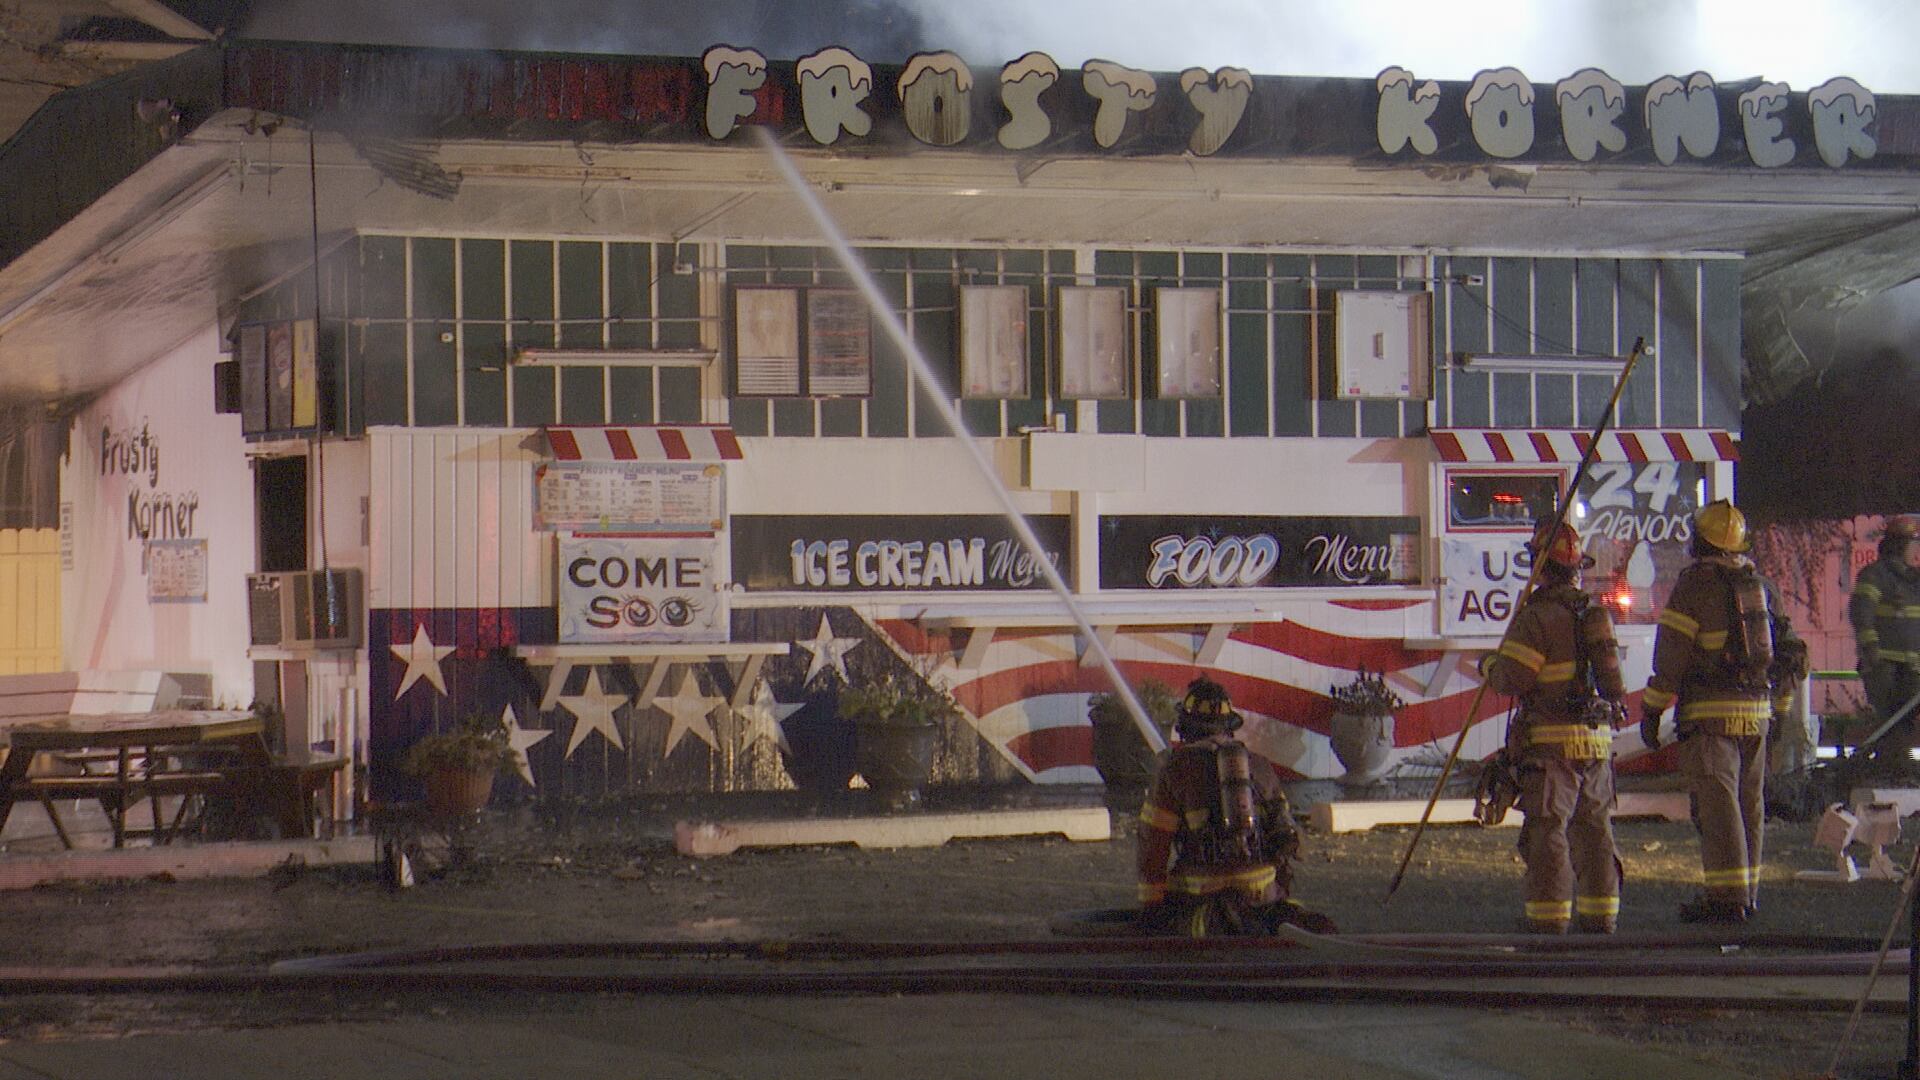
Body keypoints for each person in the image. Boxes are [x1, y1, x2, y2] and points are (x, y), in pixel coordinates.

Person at [1478, 518, 1626, 934]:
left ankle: (1550, 920)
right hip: (1597, 744)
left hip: (1550, 749)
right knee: (1595, 829)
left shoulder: (1537, 618)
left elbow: (1512, 680)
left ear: (1539, 566)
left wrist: (1489, 664)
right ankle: (1601, 916)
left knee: (1549, 833)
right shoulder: (1596, 614)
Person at [1640, 500, 1774, 924]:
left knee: (1719, 807)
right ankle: (1747, 893)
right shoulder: (1760, 585)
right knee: (1749, 804)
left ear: (1700, 540)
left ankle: (1727, 900)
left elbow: (1672, 659)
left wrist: (1652, 710)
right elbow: (1785, 650)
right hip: (1757, 713)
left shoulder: (1694, 587)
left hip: (1710, 716)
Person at [1136, 677, 1334, 937]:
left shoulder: (1176, 771)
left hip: (1200, 905)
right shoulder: (1260, 766)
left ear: (1185, 726)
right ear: (1229, 727)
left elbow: (1153, 847)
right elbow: (1286, 839)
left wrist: (1151, 912)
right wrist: (1277, 897)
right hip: (1261, 901)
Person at [1850, 515, 1920, 760]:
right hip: (1884, 667)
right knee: (1889, 722)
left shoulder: (1914, 581)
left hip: (1912, 668)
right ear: (1900, 546)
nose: (1917, 550)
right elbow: (1861, 613)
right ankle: (1888, 768)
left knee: (1905, 725)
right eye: (1914, 544)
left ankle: (1900, 767)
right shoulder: (1875, 575)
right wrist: (1871, 650)